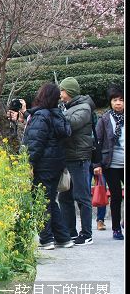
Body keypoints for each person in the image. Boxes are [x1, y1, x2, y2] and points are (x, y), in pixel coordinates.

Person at [10, 83, 74, 249]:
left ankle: (46, 239)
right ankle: (63, 237)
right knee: (50, 201)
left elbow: (36, 143)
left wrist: (29, 164)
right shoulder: (57, 114)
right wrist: (26, 113)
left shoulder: (41, 116)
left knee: (40, 201)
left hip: (43, 165)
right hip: (56, 164)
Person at [58, 77, 97, 245]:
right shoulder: (68, 107)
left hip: (80, 157)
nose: (60, 94)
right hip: (68, 157)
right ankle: (70, 231)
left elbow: (72, 124)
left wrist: (57, 114)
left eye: (62, 90)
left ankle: (86, 233)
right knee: (65, 196)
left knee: (82, 197)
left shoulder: (84, 107)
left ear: (69, 92)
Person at [94, 84, 125, 240]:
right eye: (115, 100)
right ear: (110, 102)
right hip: (111, 164)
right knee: (116, 196)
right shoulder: (105, 119)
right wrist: (97, 164)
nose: (118, 103)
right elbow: (97, 142)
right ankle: (116, 229)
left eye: (121, 100)